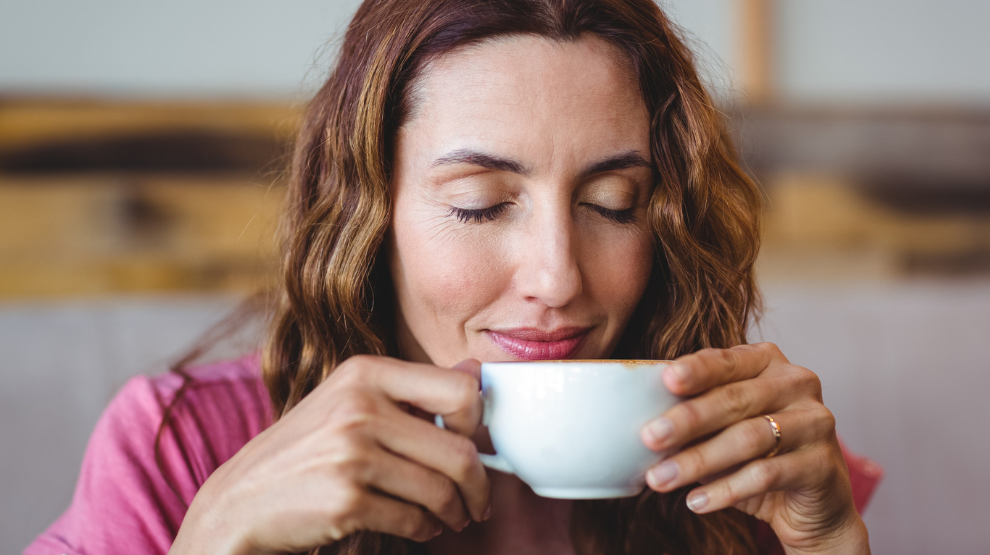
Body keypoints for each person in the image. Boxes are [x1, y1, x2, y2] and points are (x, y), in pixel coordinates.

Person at [26, 1, 883, 554]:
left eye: (616, 203)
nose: (556, 276)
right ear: (371, 212)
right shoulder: (183, 448)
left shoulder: (746, 463)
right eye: (478, 204)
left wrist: (835, 540)